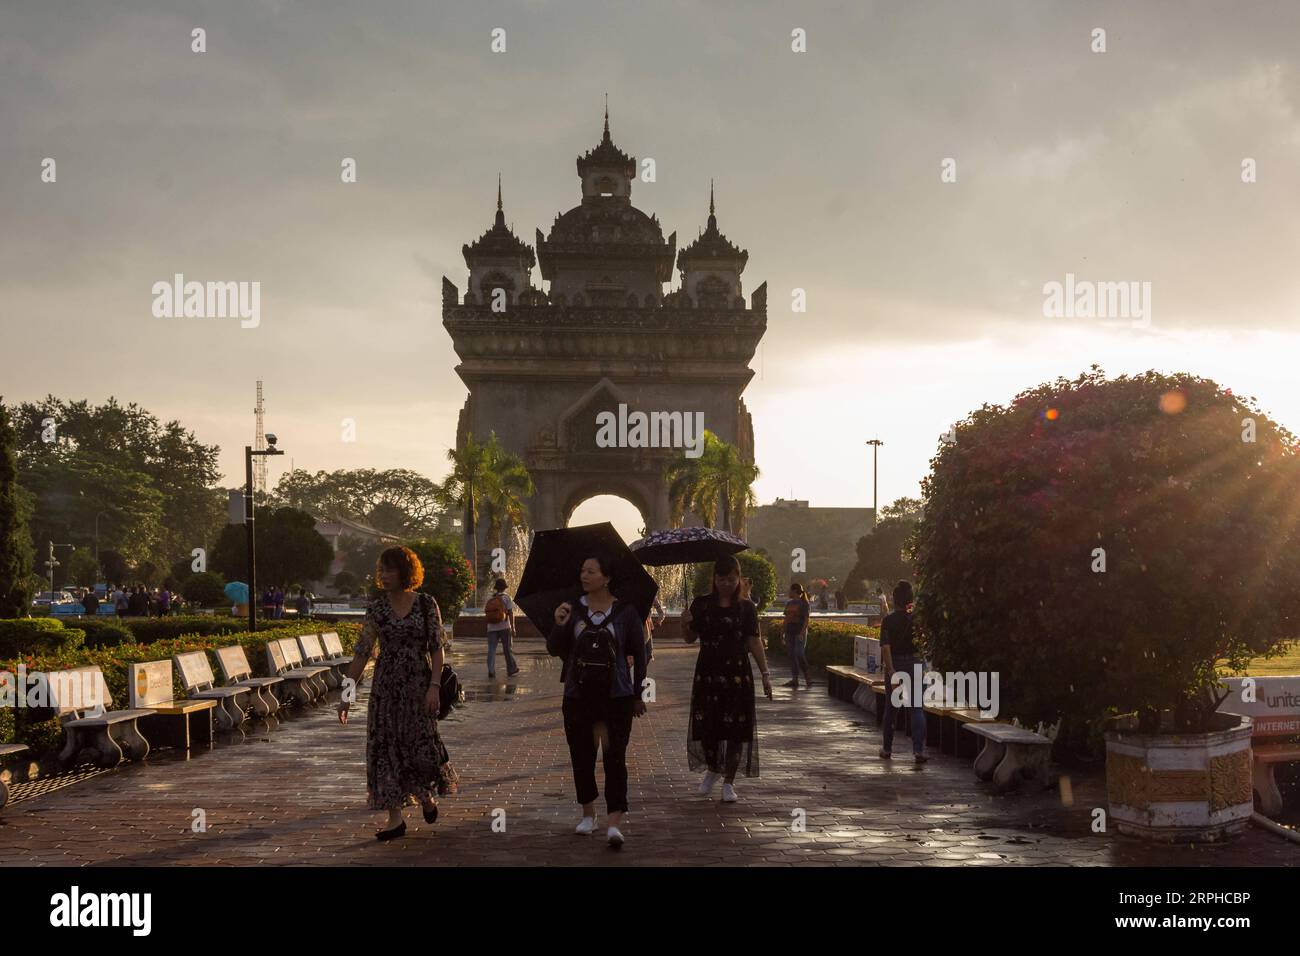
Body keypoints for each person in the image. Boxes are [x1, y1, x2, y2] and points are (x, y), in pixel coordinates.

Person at [338, 546, 457, 841]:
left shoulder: (426, 604)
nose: (384, 575)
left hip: (419, 687)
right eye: (382, 570)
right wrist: (346, 694)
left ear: (405, 572)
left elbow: (437, 648)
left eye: (390, 570)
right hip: (386, 691)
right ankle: (395, 819)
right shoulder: (377, 609)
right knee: (385, 749)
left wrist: (434, 686)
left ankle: (426, 797)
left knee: (420, 747)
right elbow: (362, 653)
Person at [546, 554, 648, 849]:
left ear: (607, 577)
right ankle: (588, 814)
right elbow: (553, 648)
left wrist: (638, 694)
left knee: (615, 757)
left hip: (616, 695)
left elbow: (640, 657)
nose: (584, 575)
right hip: (578, 695)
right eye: (582, 570)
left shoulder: (627, 613)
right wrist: (559, 623)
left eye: (591, 570)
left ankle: (614, 822)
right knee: (582, 756)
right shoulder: (572, 609)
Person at [680, 555, 772, 803]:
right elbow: (689, 638)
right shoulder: (701, 605)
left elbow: (754, 641)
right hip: (708, 674)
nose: (726, 584)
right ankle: (712, 768)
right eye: (721, 579)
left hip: (737, 675)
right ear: (714, 579)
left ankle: (729, 782)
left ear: (739, 579)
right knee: (708, 725)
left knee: (736, 729)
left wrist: (765, 673)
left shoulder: (747, 608)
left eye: (731, 579)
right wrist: (685, 623)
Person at [879, 579, 927, 763]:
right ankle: (918, 751)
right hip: (915, 664)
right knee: (916, 709)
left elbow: (885, 647)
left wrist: (891, 670)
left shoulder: (888, 620)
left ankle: (887, 749)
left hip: (896, 664)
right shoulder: (917, 620)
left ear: (894, 599)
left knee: (892, 709)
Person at [484, 578, 519, 679]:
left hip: (491, 628)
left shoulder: (490, 598)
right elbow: (511, 613)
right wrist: (513, 627)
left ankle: (491, 670)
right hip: (504, 627)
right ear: (504, 588)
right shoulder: (507, 598)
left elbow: (487, 612)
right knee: (507, 649)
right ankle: (511, 669)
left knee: (491, 649)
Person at [781, 582, 812, 689]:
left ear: (794, 591)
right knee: (792, 655)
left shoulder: (804, 604)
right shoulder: (789, 603)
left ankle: (807, 676)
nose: (789, 592)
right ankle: (795, 679)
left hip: (799, 632)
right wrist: (782, 632)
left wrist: (802, 632)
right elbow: (786, 619)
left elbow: (806, 620)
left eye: (790, 590)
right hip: (789, 632)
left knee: (799, 653)